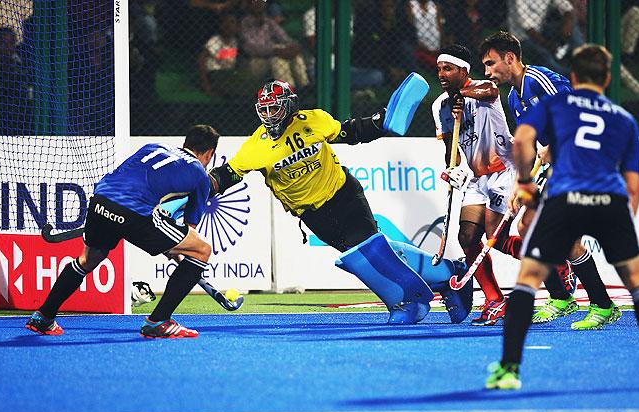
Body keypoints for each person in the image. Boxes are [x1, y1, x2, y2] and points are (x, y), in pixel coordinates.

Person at [207, 78, 474, 324]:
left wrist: (379, 123)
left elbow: (351, 132)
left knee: (367, 251)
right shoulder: (256, 146)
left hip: (344, 194)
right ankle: (450, 275)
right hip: (314, 216)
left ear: (289, 106)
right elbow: (227, 174)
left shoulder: (313, 120)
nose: (268, 115)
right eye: (264, 110)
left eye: (274, 108)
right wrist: (202, 185)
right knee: (374, 253)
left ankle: (408, 303)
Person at [486, 44, 639, 390]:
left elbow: (525, 141)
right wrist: (619, 225)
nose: (488, 70)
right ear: (608, 78)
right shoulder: (624, 118)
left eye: (490, 63)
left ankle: (510, 367)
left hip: (567, 185)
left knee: (528, 274)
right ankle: (572, 300)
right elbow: (633, 185)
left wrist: (525, 182)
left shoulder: (554, 95)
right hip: (609, 195)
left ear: (572, 77)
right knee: (636, 281)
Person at [25, 125, 220, 338]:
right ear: (210, 153)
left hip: (100, 200)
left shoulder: (152, 147)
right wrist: (173, 248)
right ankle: (159, 321)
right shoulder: (200, 174)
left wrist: (168, 242)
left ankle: (43, 317)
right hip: (134, 211)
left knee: (88, 259)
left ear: (186, 143)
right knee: (201, 250)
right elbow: (189, 231)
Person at [480, 31, 617, 329]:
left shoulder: (538, 81)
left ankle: (603, 304)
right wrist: (521, 183)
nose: (488, 72)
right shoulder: (515, 97)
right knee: (527, 226)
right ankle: (561, 298)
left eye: (491, 64)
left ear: (510, 58)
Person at [431, 44, 522, 326]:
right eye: (439, 69)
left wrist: (462, 94)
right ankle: (495, 300)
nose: (442, 74)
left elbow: (491, 92)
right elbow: (452, 152)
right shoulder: (440, 106)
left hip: (505, 171)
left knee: (500, 238)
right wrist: (452, 170)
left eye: (448, 68)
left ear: (463, 70)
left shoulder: (483, 87)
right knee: (468, 238)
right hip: (477, 178)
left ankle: (555, 260)